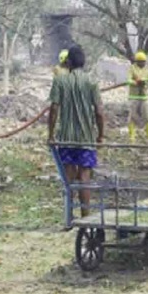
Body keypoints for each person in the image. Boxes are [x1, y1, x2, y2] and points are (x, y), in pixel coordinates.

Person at [48, 46, 104, 223]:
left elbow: (54, 109)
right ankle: (85, 217)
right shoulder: (92, 82)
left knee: (69, 177)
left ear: (69, 62)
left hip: (66, 137)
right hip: (87, 138)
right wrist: (101, 135)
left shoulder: (60, 81)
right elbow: (100, 112)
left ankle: (68, 216)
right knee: (85, 176)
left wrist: (50, 134)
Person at [127, 51, 148, 143]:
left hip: (144, 96)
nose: (143, 63)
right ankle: (132, 137)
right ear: (137, 61)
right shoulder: (132, 68)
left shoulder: (146, 69)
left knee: (147, 116)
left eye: (144, 61)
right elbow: (128, 80)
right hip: (133, 97)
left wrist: (147, 81)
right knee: (132, 116)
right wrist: (136, 82)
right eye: (141, 61)